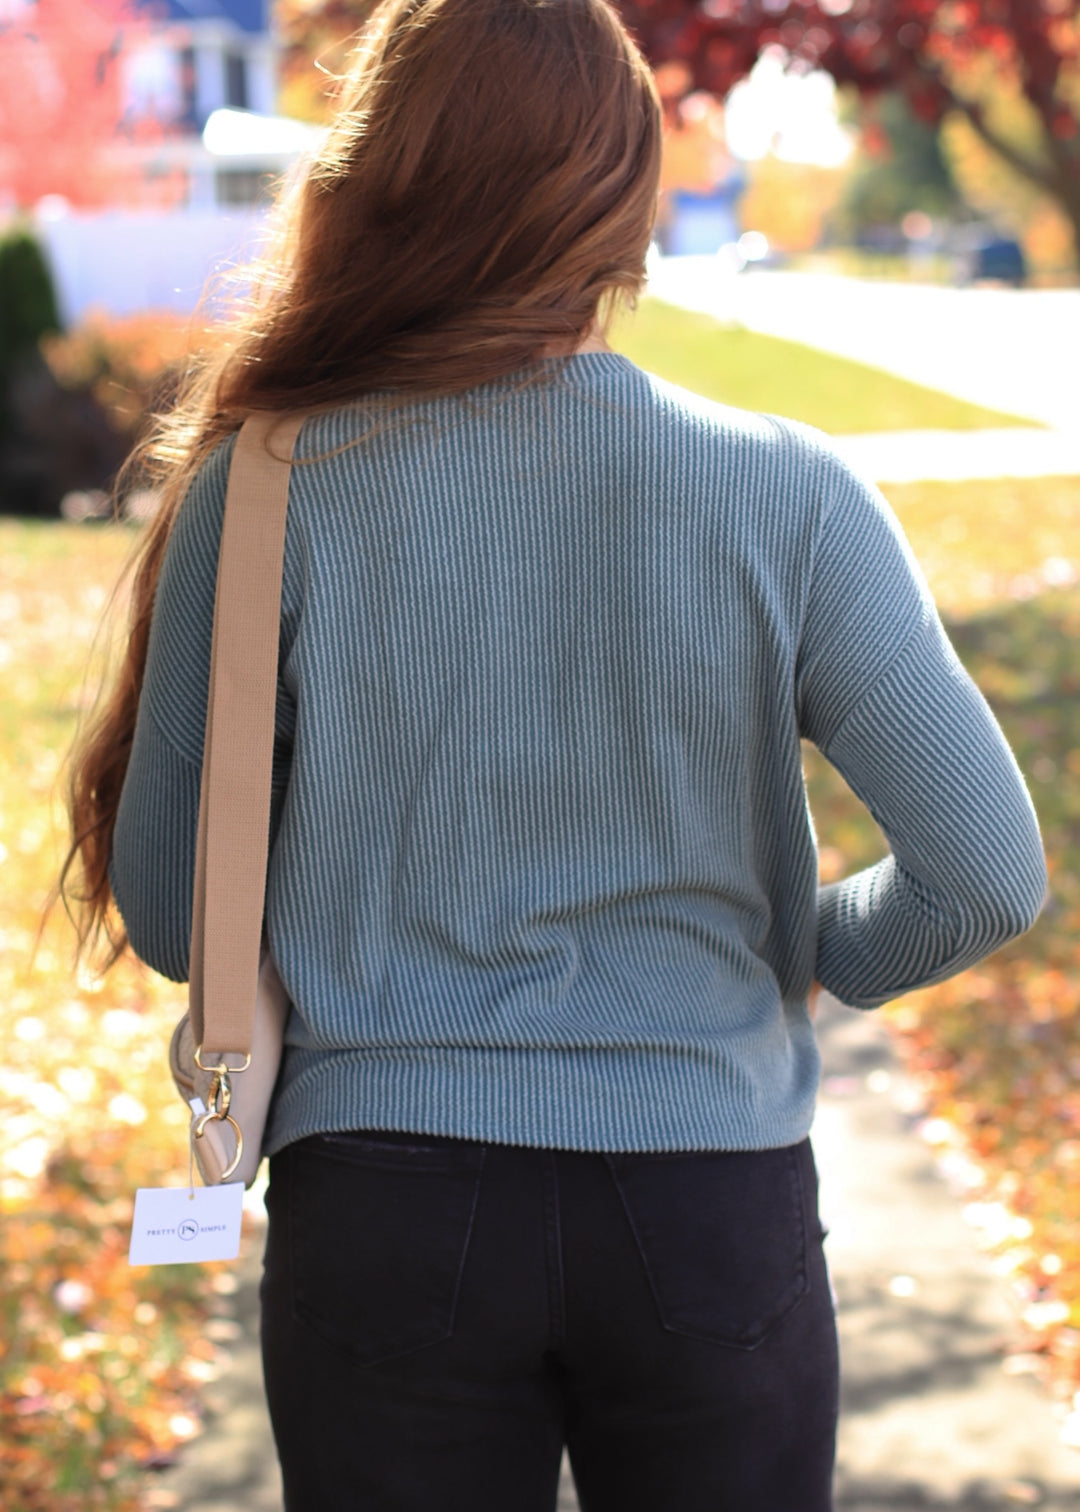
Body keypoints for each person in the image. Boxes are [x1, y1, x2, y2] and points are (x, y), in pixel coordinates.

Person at [63, 1, 1047, 1507]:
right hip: (712, 1203)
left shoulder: (263, 495)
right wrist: (811, 949)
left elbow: (167, 905)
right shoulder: (788, 495)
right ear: (625, 192)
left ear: (376, 178)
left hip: (385, 1214)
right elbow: (982, 874)